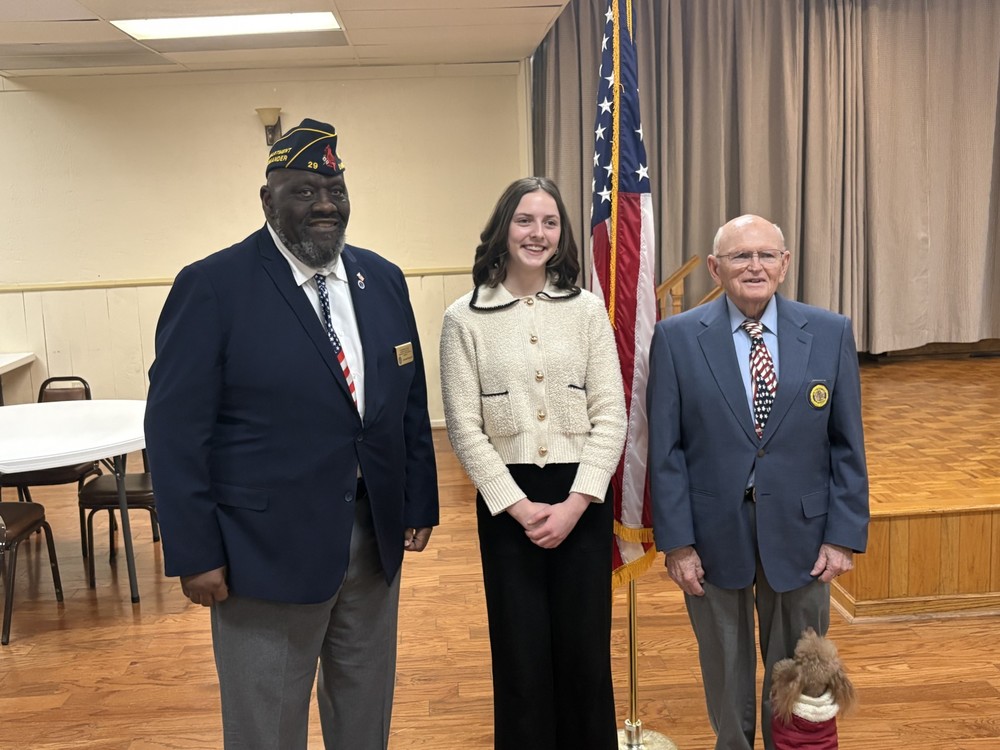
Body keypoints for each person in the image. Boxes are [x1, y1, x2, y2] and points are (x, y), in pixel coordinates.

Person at [144, 118, 439, 750]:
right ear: (268, 199)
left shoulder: (381, 279)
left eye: (335, 187)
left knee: (365, 717)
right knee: (267, 730)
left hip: (372, 542)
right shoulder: (213, 287)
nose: (325, 204)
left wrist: (418, 501)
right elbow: (173, 432)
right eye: (305, 190)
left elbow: (406, 401)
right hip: (261, 556)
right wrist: (195, 552)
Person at [646, 214, 869, 750]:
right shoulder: (675, 339)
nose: (754, 266)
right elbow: (666, 451)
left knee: (799, 672)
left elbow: (848, 444)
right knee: (725, 670)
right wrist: (675, 544)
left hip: (804, 534)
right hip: (711, 532)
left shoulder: (829, 331)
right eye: (741, 256)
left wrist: (842, 535)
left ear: (785, 265)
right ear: (716, 268)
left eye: (766, 255)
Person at [439, 177, 627, 750]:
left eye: (549, 222)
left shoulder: (588, 312)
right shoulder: (464, 318)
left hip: (581, 502)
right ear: (503, 228)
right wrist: (518, 508)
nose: (537, 233)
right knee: (520, 658)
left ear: (561, 235)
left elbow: (611, 416)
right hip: (507, 506)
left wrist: (575, 504)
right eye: (525, 220)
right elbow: (464, 428)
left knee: (585, 655)